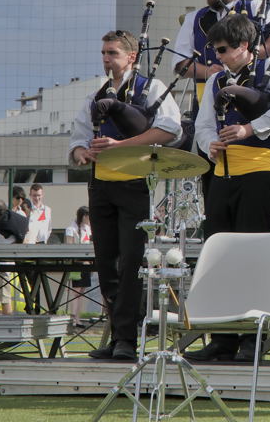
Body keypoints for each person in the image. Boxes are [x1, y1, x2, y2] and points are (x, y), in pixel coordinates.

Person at [188, 13, 270, 362]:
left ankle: (253, 338)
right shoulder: (219, 79)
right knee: (219, 255)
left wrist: (248, 130)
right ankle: (222, 338)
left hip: (260, 173)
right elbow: (203, 123)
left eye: (223, 49)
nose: (218, 57)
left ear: (245, 46)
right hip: (222, 176)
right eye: (215, 50)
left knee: (251, 257)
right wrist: (211, 144)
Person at [69, 29, 182, 360]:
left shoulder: (152, 88)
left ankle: (127, 341)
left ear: (131, 56)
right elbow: (77, 138)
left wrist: (122, 145)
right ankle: (119, 335)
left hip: (134, 185)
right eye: (104, 53)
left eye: (113, 53)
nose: (106, 59)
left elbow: (170, 129)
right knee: (106, 264)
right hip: (101, 185)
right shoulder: (96, 94)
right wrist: (81, 154)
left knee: (132, 263)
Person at [172, 0, 270, 197]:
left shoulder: (256, 7)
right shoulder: (196, 18)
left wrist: (255, 56)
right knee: (212, 161)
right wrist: (208, 71)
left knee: (254, 154)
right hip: (210, 100)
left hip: (253, 98)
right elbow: (180, 64)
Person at [64, 206, 93, 328]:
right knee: (76, 292)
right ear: (84, 216)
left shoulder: (87, 229)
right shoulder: (71, 229)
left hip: (87, 263)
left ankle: (78, 317)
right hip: (77, 264)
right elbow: (69, 247)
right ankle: (74, 318)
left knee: (82, 291)